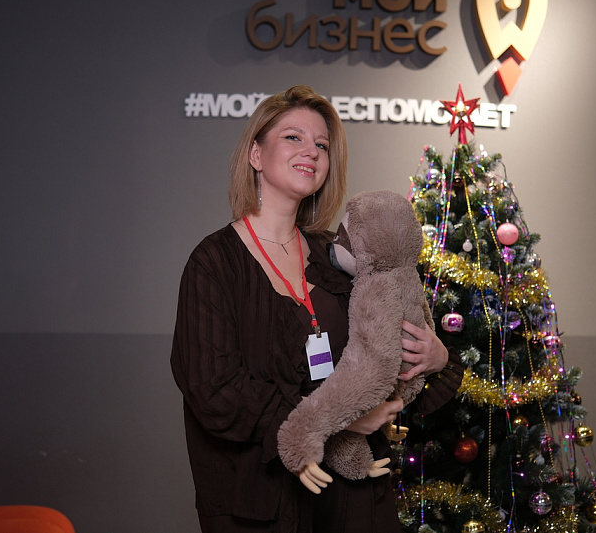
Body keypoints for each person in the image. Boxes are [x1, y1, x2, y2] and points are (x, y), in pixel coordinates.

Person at [171, 85, 464, 533]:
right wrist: (338, 419)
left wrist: (437, 358)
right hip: (260, 502)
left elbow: (388, 352)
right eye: (293, 137)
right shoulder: (214, 262)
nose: (311, 151)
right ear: (255, 154)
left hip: (354, 499)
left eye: (322, 145)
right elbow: (214, 391)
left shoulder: (342, 254)